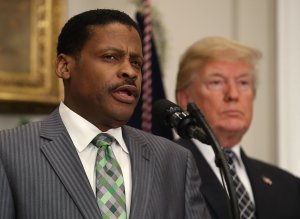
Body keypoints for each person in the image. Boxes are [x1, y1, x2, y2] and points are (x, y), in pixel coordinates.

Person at [0, 9, 211, 219]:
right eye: (110, 57)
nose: (130, 71)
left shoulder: (175, 161)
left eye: (136, 62)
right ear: (64, 66)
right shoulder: (9, 152)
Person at [175, 36, 300, 219]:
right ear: (186, 98)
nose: (233, 95)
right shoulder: (164, 170)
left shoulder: (290, 187)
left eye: (243, 83)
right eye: (216, 82)